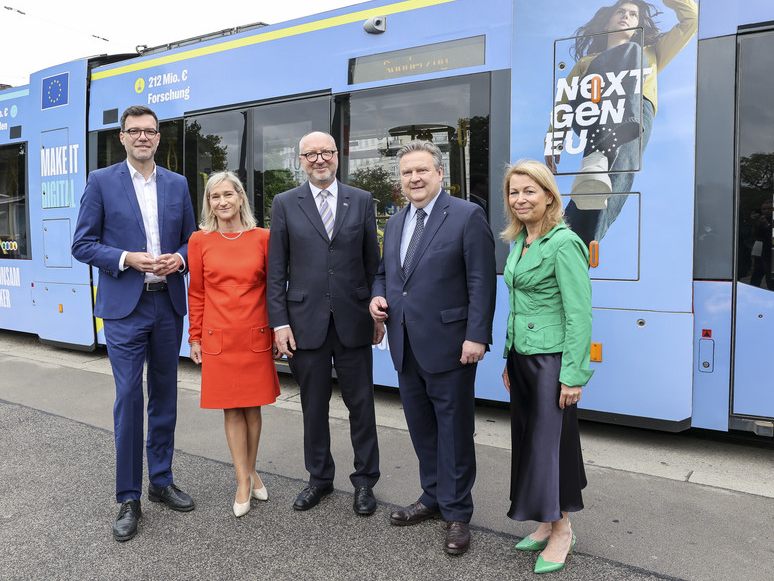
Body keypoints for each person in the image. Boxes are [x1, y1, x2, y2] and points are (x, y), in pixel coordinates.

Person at [71, 105, 197, 542]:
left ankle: (160, 481)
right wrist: (126, 259)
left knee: (164, 396)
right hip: (126, 308)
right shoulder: (101, 181)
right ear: (122, 138)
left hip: (167, 305)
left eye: (150, 131)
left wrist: (179, 258)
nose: (142, 137)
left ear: (159, 138)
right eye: (134, 131)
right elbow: (82, 244)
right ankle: (129, 497)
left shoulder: (178, 184)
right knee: (129, 397)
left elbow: (191, 240)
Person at [370, 140, 496, 555]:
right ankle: (432, 496)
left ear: (440, 174)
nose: (414, 178)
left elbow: (481, 281)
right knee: (422, 428)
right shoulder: (396, 220)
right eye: (407, 173)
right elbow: (386, 274)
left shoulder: (466, 216)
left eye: (422, 170)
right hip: (405, 345)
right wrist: (377, 297)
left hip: (451, 346)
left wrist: (476, 335)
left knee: (455, 433)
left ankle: (458, 513)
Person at [267, 131, 382, 515]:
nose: (320, 160)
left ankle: (365, 482)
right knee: (312, 407)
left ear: (337, 156)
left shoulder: (362, 200)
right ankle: (319, 479)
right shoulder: (285, 203)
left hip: (353, 320)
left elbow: (372, 264)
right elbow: (276, 270)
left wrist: (375, 312)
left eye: (326, 153)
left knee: (361, 406)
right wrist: (279, 323)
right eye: (311, 154)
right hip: (304, 324)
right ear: (299, 160)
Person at [500, 160, 593, 574]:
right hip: (523, 358)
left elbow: (580, 315)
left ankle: (563, 530)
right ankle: (545, 520)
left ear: (549, 195)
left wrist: (573, 374)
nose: (520, 199)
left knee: (549, 448)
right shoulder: (519, 241)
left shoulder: (564, 242)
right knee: (530, 444)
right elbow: (517, 306)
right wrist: (508, 357)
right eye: (514, 192)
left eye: (529, 191)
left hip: (551, 362)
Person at [547, 0, 698, 245]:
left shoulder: (652, 53)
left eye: (632, 14)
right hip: (594, 113)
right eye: (620, 12)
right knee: (630, 52)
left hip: (634, 118)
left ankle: (574, 240)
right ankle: (604, 145)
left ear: (639, 23)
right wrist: (554, 137)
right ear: (607, 21)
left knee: (606, 183)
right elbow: (564, 101)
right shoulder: (586, 62)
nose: (626, 16)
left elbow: (690, 21)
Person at [187, 171, 280, 517]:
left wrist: (277, 331)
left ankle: (251, 468)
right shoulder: (199, 241)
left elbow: (274, 289)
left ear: (240, 197)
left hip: (254, 333)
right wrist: (194, 336)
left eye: (228, 194)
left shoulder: (263, 238)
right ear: (209, 203)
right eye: (215, 196)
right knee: (231, 408)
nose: (222, 202)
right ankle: (243, 479)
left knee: (253, 408)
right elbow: (196, 292)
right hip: (217, 336)